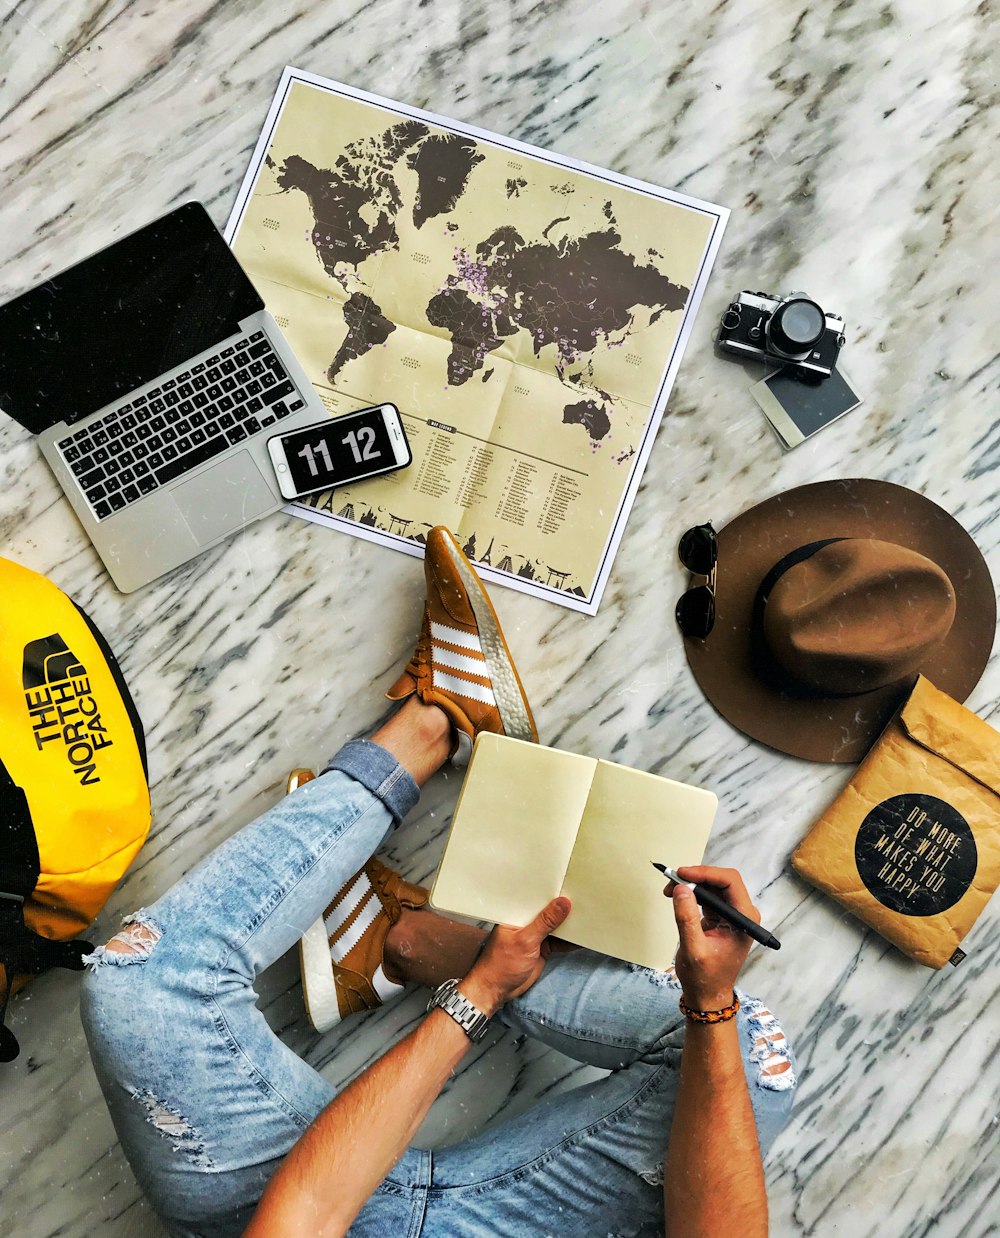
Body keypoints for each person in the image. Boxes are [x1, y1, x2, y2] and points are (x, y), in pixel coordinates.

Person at [81, 527, 796, 1238]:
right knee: (746, 1052)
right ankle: (401, 945)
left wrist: (481, 994)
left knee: (140, 985)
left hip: (269, 1206)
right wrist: (707, 1003)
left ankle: (437, 725)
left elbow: (312, 1210)